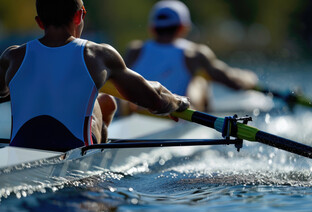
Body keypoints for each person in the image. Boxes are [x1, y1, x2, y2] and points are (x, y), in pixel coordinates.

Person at [0, 0, 189, 152]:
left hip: (20, 152)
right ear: (79, 16)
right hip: (75, 154)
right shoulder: (98, 55)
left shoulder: (11, 57)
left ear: (39, 22)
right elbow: (155, 101)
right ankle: (100, 153)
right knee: (106, 101)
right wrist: (177, 102)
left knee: (104, 100)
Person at [125, 0, 258, 112]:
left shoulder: (134, 50)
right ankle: (203, 121)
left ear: (152, 28)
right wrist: (250, 79)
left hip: (138, 115)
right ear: (184, 27)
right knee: (201, 79)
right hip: (178, 116)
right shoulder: (193, 54)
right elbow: (232, 82)